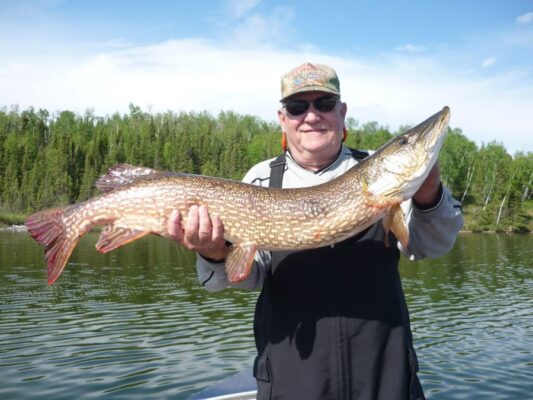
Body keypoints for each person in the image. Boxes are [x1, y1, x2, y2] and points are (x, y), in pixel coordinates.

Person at [167, 62, 464, 400]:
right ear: (283, 118)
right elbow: (241, 276)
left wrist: (429, 196)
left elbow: (432, 245)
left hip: (384, 379)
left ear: (342, 112)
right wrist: (213, 253)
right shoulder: (262, 180)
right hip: (294, 381)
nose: (311, 116)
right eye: (297, 107)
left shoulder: (377, 172)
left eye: (324, 103)